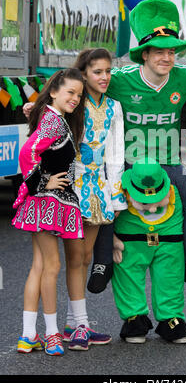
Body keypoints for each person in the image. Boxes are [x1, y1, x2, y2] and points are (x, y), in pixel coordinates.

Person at [88, 0, 186, 293]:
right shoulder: (118, 81)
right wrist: (39, 107)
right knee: (105, 192)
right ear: (144, 55)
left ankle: (185, 263)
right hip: (130, 159)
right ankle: (102, 262)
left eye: (171, 51)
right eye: (159, 52)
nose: (166, 58)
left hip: (172, 157)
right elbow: (78, 86)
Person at [13, 69, 86, 356]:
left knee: (39, 266)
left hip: (45, 201)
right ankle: (53, 334)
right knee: (52, 266)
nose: (76, 99)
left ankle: (28, 335)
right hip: (48, 202)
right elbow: (27, 152)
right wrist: (43, 182)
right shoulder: (53, 122)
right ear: (54, 90)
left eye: (79, 95)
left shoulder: (54, 118)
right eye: (70, 92)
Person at [62, 47, 127, 350]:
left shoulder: (114, 107)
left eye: (107, 71)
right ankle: (81, 325)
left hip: (98, 190)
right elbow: (47, 123)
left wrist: (114, 200)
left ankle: (74, 323)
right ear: (84, 73)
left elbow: (115, 157)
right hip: (69, 189)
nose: (104, 77)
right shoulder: (73, 103)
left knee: (85, 258)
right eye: (97, 71)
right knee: (75, 258)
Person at [112, 158, 186, 344]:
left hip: (172, 170)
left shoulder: (176, 180)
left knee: (170, 273)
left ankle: (171, 317)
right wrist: (109, 242)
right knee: (127, 269)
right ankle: (134, 318)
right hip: (131, 228)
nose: (153, 207)